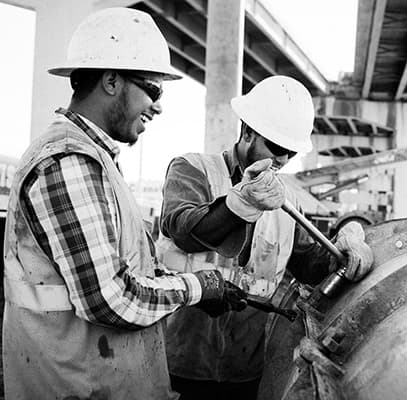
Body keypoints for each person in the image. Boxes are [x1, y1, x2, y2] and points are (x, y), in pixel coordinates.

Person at [2, 8, 249, 399]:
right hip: (76, 384)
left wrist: (198, 290)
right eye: (154, 90)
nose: (159, 106)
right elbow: (110, 300)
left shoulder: (97, 162)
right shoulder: (67, 162)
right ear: (112, 81)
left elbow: (131, 271)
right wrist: (198, 288)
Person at [157, 75, 375, 400]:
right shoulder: (192, 170)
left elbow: (312, 265)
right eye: (276, 147)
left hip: (244, 373)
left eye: (290, 152)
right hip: (179, 364)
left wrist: (349, 234)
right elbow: (185, 231)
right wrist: (240, 203)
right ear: (247, 131)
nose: (282, 160)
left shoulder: (289, 199)